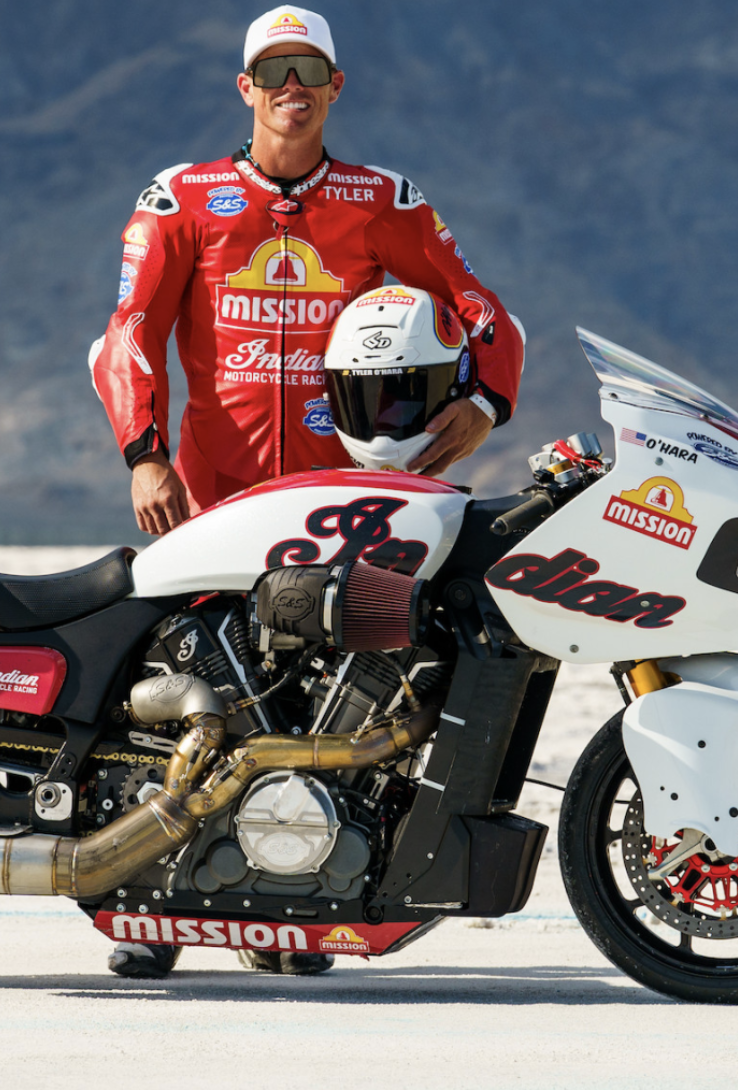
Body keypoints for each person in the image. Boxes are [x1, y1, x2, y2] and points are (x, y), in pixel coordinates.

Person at [89, 6, 525, 978]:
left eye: (311, 71)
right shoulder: (181, 198)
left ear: (336, 87)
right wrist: (144, 454)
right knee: (191, 699)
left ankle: (285, 908)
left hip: (339, 504)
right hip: (212, 501)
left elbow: (480, 307)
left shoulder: (383, 200)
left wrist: (487, 401)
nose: (293, 88)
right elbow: (128, 333)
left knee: (319, 706)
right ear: (244, 87)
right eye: (275, 71)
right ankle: (149, 911)